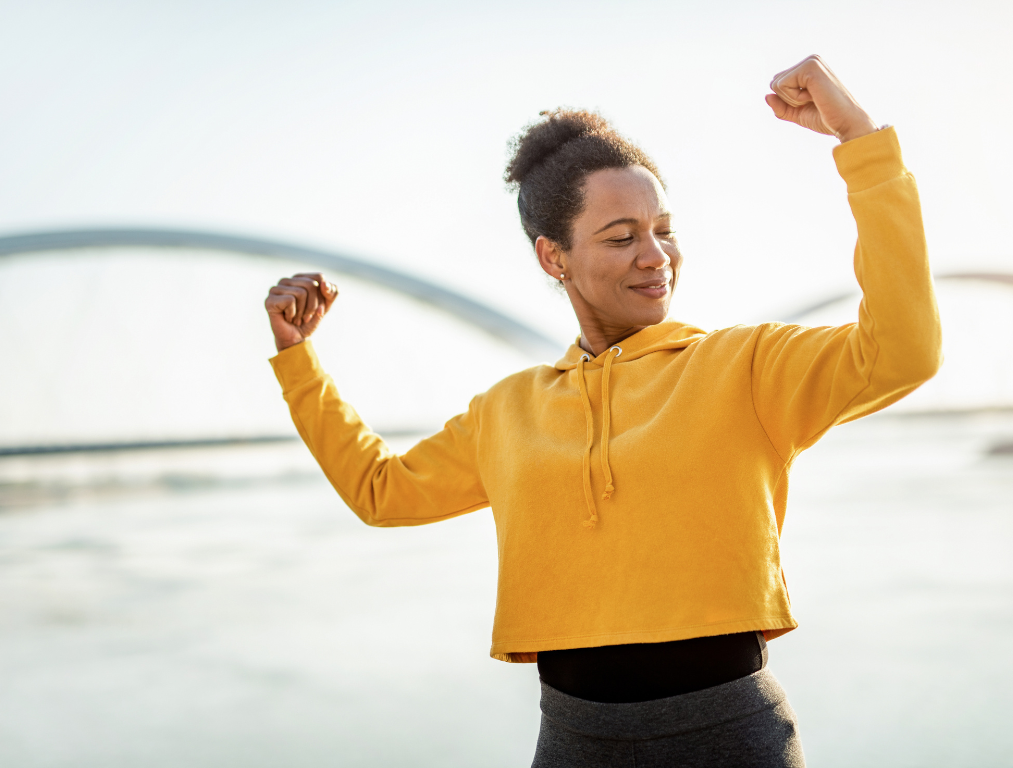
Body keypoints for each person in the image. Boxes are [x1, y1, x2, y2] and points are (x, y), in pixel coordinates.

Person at [263, 55, 941, 768]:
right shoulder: (508, 410)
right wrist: (297, 360)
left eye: (663, 229)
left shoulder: (744, 367)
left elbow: (903, 351)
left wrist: (858, 140)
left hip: (731, 738)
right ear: (553, 258)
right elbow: (382, 493)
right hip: (574, 743)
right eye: (621, 237)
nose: (657, 257)